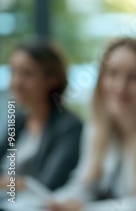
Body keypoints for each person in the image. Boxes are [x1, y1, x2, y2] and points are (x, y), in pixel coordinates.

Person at [46, 38, 136, 211]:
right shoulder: (96, 130)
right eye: (112, 73)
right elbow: (83, 186)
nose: (120, 86)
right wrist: (51, 203)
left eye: (134, 77)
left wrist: (84, 209)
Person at [0, 39, 82, 192]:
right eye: (13, 72)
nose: (16, 82)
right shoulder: (19, 120)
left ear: (52, 80)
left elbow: (48, 184)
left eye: (27, 74)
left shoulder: (69, 127)